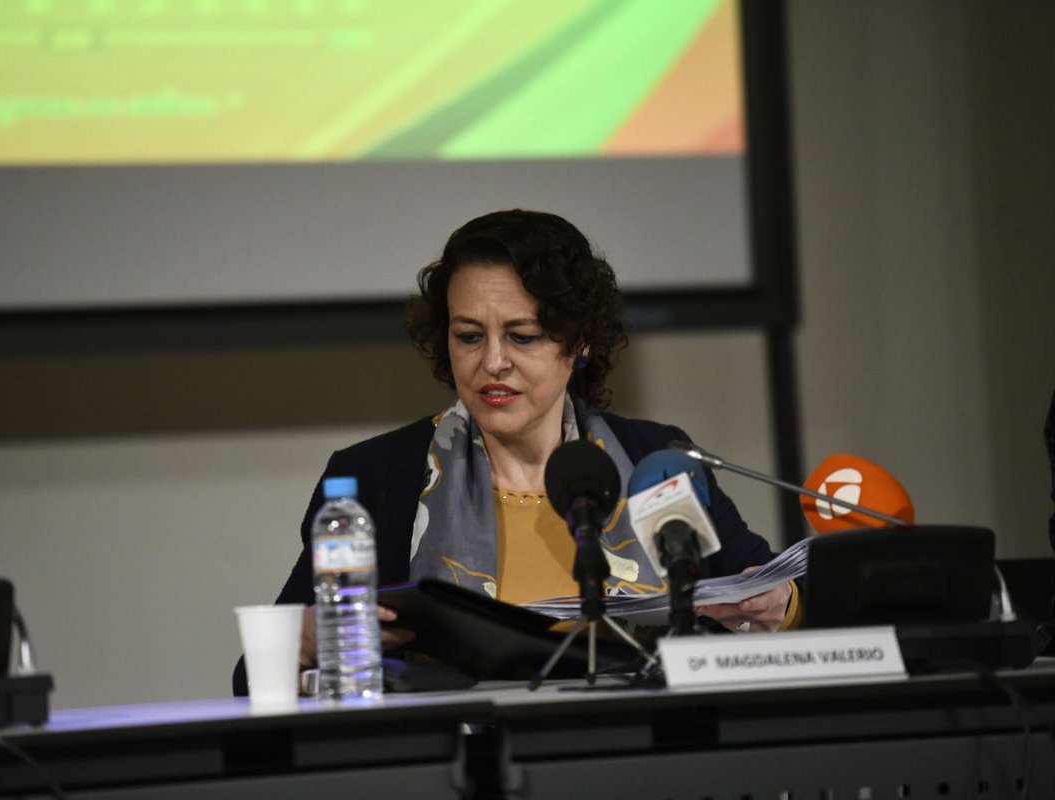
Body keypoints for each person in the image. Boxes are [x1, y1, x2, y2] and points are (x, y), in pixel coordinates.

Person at [234, 209, 798, 691]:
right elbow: (252, 679)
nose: (493, 362)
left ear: (580, 342)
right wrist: (306, 641)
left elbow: (766, 593)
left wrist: (779, 605)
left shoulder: (653, 458)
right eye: (468, 336)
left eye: (522, 336)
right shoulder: (376, 476)